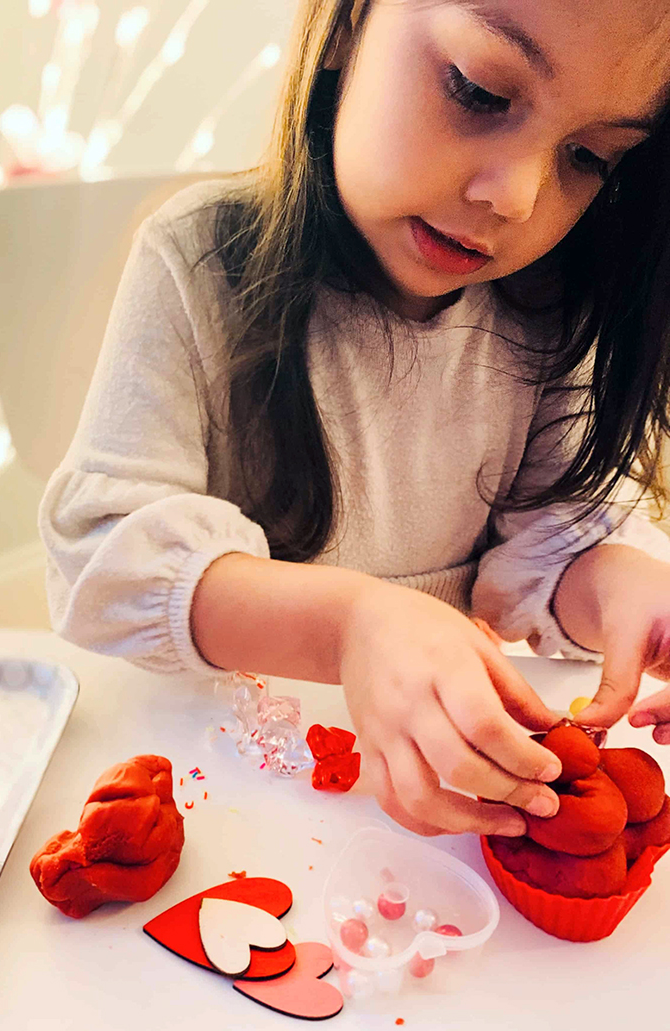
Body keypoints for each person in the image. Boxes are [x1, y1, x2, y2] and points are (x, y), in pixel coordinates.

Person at [39, 0, 670, 838]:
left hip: (429, 800)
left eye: (589, 156)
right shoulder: (198, 259)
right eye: (480, 90)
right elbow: (102, 566)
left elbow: (552, 543)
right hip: (221, 785)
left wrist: (625, 587)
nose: (517, 196)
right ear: (346, 25)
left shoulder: (551, 307)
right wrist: (349, 629)